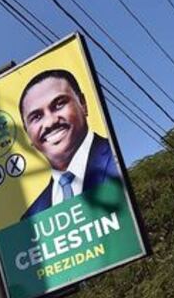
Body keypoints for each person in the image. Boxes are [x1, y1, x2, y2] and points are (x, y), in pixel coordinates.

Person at [18, 69, 121, 219]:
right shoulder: (31, 218)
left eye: (59, 105)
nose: (50, 122)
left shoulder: (119, 159)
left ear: (83, 104)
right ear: (27, 133)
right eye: (37, 117)